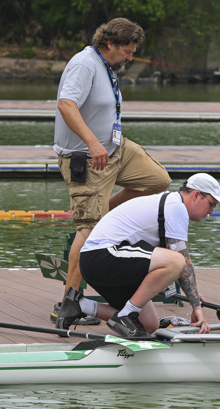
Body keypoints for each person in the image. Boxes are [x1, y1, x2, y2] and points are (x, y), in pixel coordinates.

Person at [53, 17, 172, 328]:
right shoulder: (84, 64)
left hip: (116, 149)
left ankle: (106, 211)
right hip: (87, 156)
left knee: (159, 181)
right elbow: (66, 105)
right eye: (128, 52)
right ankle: (68, 302)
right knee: (88, 230)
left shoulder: (107, 66)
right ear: (109, 44)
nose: (130, 57)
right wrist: (93, 143)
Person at [58, 173, 220, 338]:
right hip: (101, 256)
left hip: (102, 263)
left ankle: (79, 305)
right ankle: (126, 315)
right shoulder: (176, 207)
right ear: (196, 195)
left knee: (149, 324)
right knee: (177, 261)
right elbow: (182, 261)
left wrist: (193, 294)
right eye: (211, 204)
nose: (211, 212)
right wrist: (197, 307)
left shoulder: (171, 204)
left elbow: (175, 264)